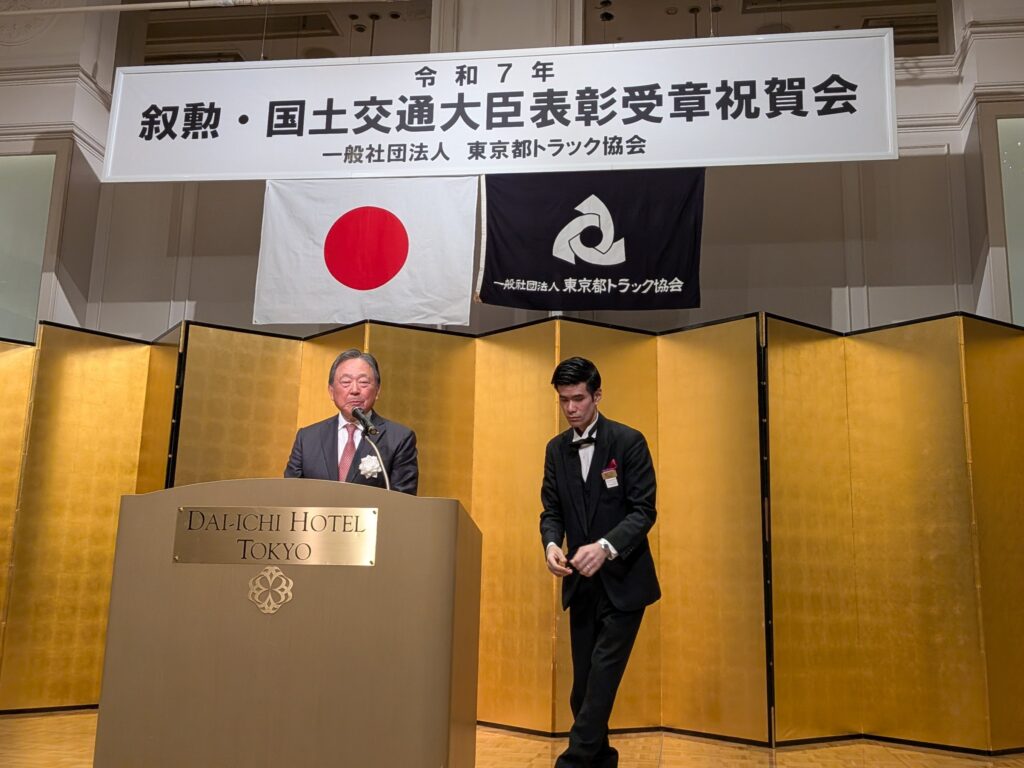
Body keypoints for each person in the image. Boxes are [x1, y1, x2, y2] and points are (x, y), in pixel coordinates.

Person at [540, 357, 660, 768]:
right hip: (581, 583)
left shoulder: (628, 442)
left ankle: (572, 763)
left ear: (597, 396)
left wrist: (605, 547)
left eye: (578, 398)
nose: (571, 408)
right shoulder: (556, 449)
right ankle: (603, 759)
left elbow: (643, 511)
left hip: (626, 583)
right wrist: (551, 544)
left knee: (601, 683)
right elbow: (551, 510)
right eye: (563, 400)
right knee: (583, 691)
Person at [285, 348, 418, 494]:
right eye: (346, 382)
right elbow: (290, 494)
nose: (354, 390)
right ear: (331, 391)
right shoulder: (307, 438)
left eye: (363, 382)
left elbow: (403, 500)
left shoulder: (399, 438)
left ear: (377, 390)